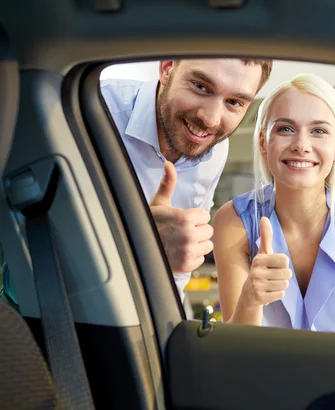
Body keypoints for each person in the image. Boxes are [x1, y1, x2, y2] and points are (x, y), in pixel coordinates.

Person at [1, 58, 273, 306]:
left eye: (234, 102)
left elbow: (176, 263)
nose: (211, 119)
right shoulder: (86, 112)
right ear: (167, 68)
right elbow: (21, 227)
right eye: (201, 86)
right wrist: (140, 241)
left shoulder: (213, 147)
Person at [212, 73, 335, 335]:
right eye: (285, 129)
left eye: (318, 131)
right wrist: (250, 299)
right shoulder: (233, 220)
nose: (301, 145)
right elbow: (237, 350)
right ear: (263, 142)